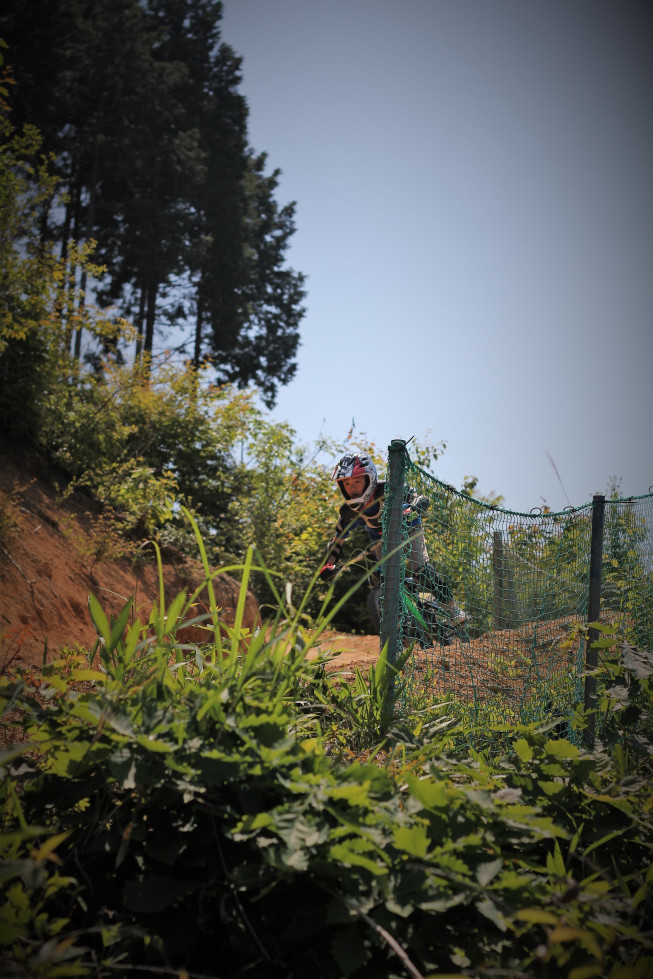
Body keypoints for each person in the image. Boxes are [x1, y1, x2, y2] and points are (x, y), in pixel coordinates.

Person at [318, 452, 465, 625]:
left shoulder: (388, 489)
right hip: (381, 541)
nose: (352, 488)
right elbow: (337, 541)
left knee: (419, 568)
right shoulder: (348, 512)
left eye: (357, 481)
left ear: (370, 478)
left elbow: (418, 496)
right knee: (378, 578)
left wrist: (416, 504)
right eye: (347, 484)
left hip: (409, 528)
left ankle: (452, 609)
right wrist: (329, 565)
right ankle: (403, 619)